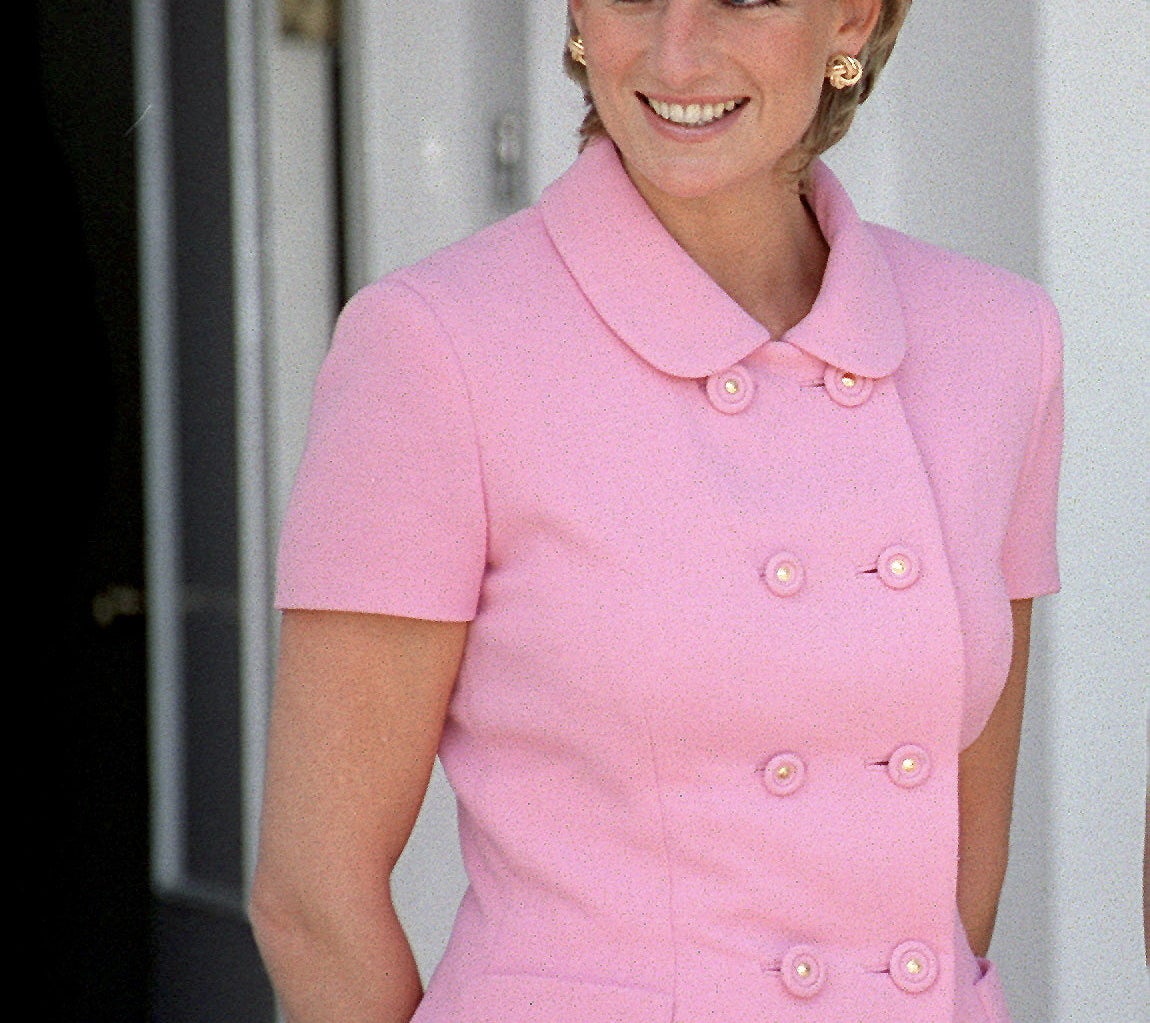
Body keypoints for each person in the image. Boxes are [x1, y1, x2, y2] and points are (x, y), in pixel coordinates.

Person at [248, 1, 1063, 1021]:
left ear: (853, 18)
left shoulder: (996, 342)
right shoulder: (435, 346)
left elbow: (956, 871)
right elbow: (310, 899)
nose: (676, 52)